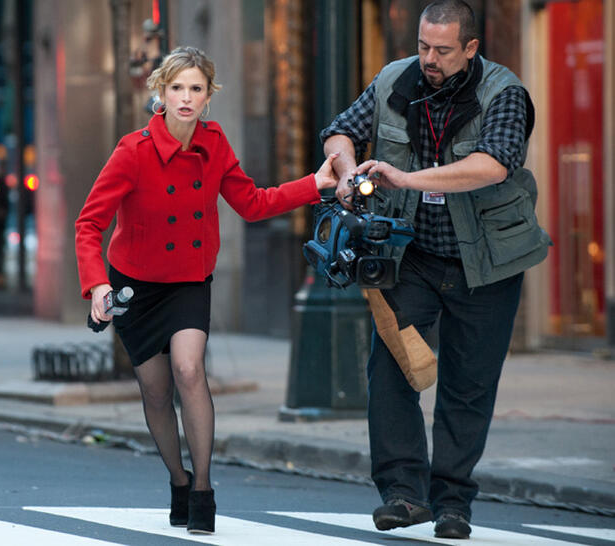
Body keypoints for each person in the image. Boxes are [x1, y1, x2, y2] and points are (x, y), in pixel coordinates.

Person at [76, 46, 338, 534]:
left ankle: (203, 491)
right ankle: (178, 479)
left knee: (188, 369)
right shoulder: (132, 151)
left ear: (208, 95)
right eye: (177, 87)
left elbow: (252, 203)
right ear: (161, 92)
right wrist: (96, 286)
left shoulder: (214, 144)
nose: (186, 98)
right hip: (134, 284)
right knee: (156, 393)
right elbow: (89, 224)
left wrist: (314, 185)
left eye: (196, 88)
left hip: (189, 282)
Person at [321, 0, 551, 540]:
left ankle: (452, 503)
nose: (429, 57)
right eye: (424, 45)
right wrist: (352, 172)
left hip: (487, 263)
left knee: (468, 386)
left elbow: (493, 164)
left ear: (471, 48)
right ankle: (403, 493)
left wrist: (407, 179)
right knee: (392, 371)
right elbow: (338, 132)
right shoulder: (392, 79)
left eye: (443, 50)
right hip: (414, 258)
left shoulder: (505, 93)